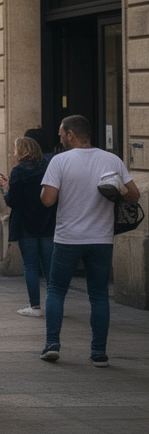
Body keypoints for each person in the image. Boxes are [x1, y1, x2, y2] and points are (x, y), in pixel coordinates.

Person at [39, 114, 139, 366]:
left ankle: (52, 343)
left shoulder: (60, 161)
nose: (60, 139)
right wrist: (117, 188)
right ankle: (99, 352)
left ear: (71, 134)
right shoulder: (112, 160)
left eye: (62, 134)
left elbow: (48, 200)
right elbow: (134, 195)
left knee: (56, 290)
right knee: (99, 295)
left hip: (68, 237)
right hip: (101, 238)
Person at [0, 136, 55, 317]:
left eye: (16, 149)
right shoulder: (48, 168)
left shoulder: (19, 171)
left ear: (22, 151)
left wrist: (6, 188)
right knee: (49, 266)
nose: (14, 152)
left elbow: (12, 200)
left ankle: (35, 305)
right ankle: (55, 303)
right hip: (47, 222)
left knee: (30, 265)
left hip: (25, 224)